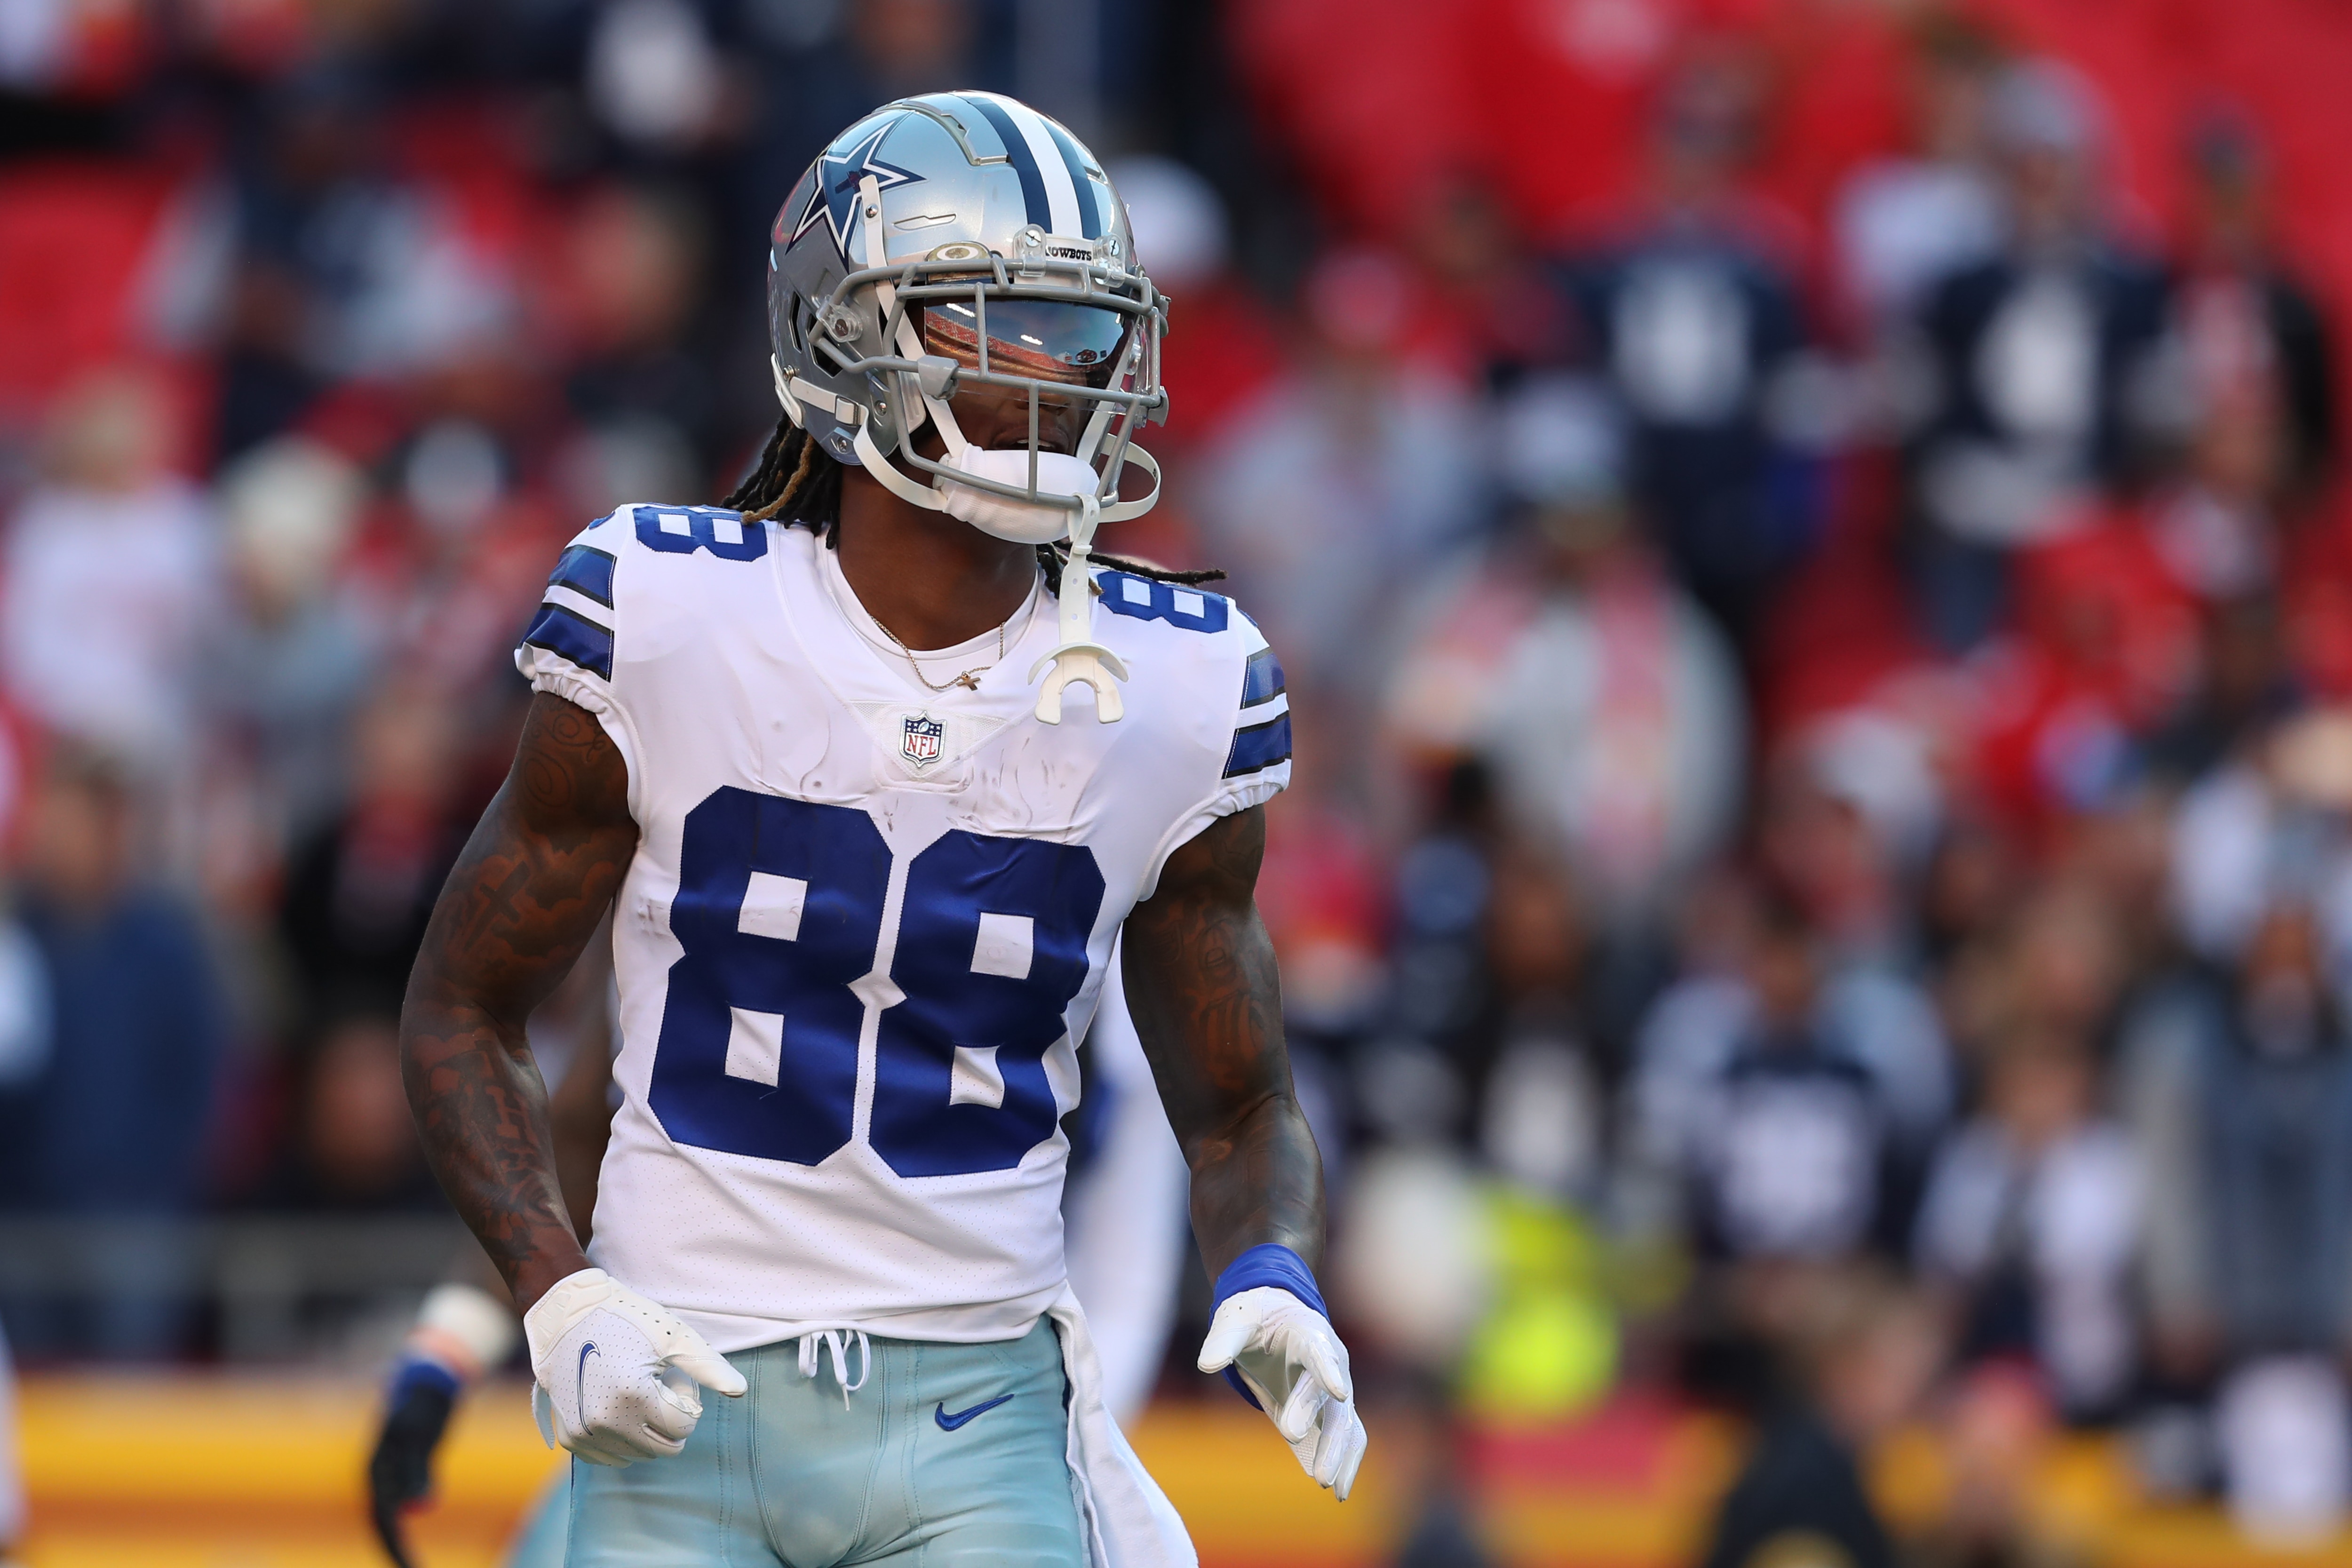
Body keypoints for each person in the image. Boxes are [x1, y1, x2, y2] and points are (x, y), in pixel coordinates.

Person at [398, 93, 1365, 1568]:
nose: (1065, 375)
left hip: (980, 1414)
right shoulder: (668, 616)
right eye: (1005, 324)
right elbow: (469, 1006)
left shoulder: (1174, 685)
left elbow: (1237, 1105)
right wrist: (548, 1291)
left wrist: (1276, 1267)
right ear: (845, 334)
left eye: (1084, 331)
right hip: (682, 1390)